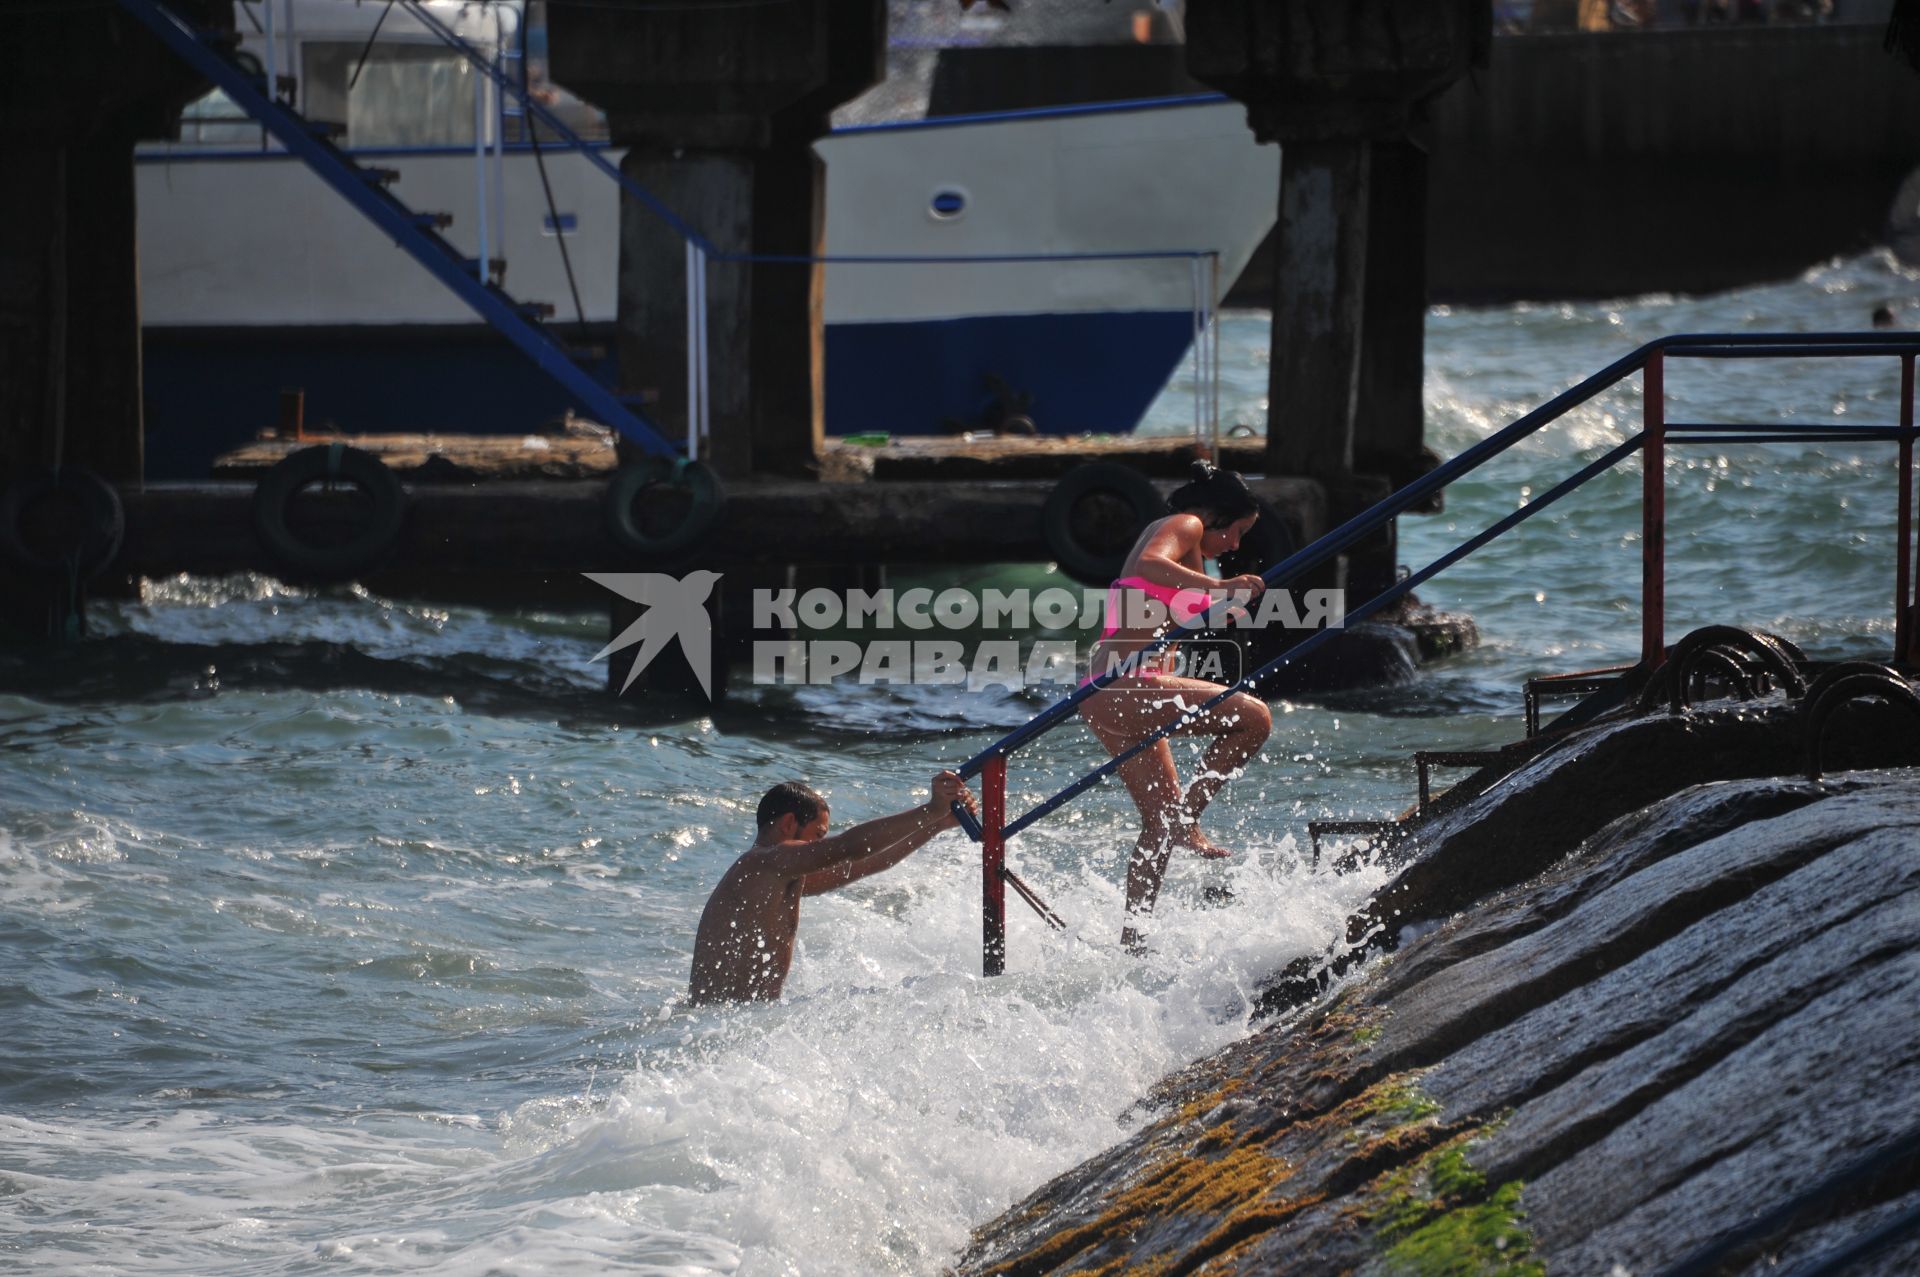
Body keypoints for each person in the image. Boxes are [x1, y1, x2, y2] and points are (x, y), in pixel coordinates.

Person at [1078, 462, 1274, 950]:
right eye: (1234, 531)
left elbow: (1161, 597)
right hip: (1126, 684)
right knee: (1255, 718)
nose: (1234, 545)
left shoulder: (1186, 546)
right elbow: (1148, 566)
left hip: (1110, 692)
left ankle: (1133, 941)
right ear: (1213, 516)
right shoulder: (1184, 525)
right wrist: (1223, 588)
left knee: (1158, 824)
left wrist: (1223, 602)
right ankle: (1190, 820)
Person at [688, 772, 979, 1005]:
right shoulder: (766, 861)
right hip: (721, 1025)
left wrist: (938, 824)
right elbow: (850, 847)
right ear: (789, 823)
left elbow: (872, 861)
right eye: (818, 835)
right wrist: (930, 810)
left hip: (726, 1024)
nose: (819, 847)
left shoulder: (775, 876)